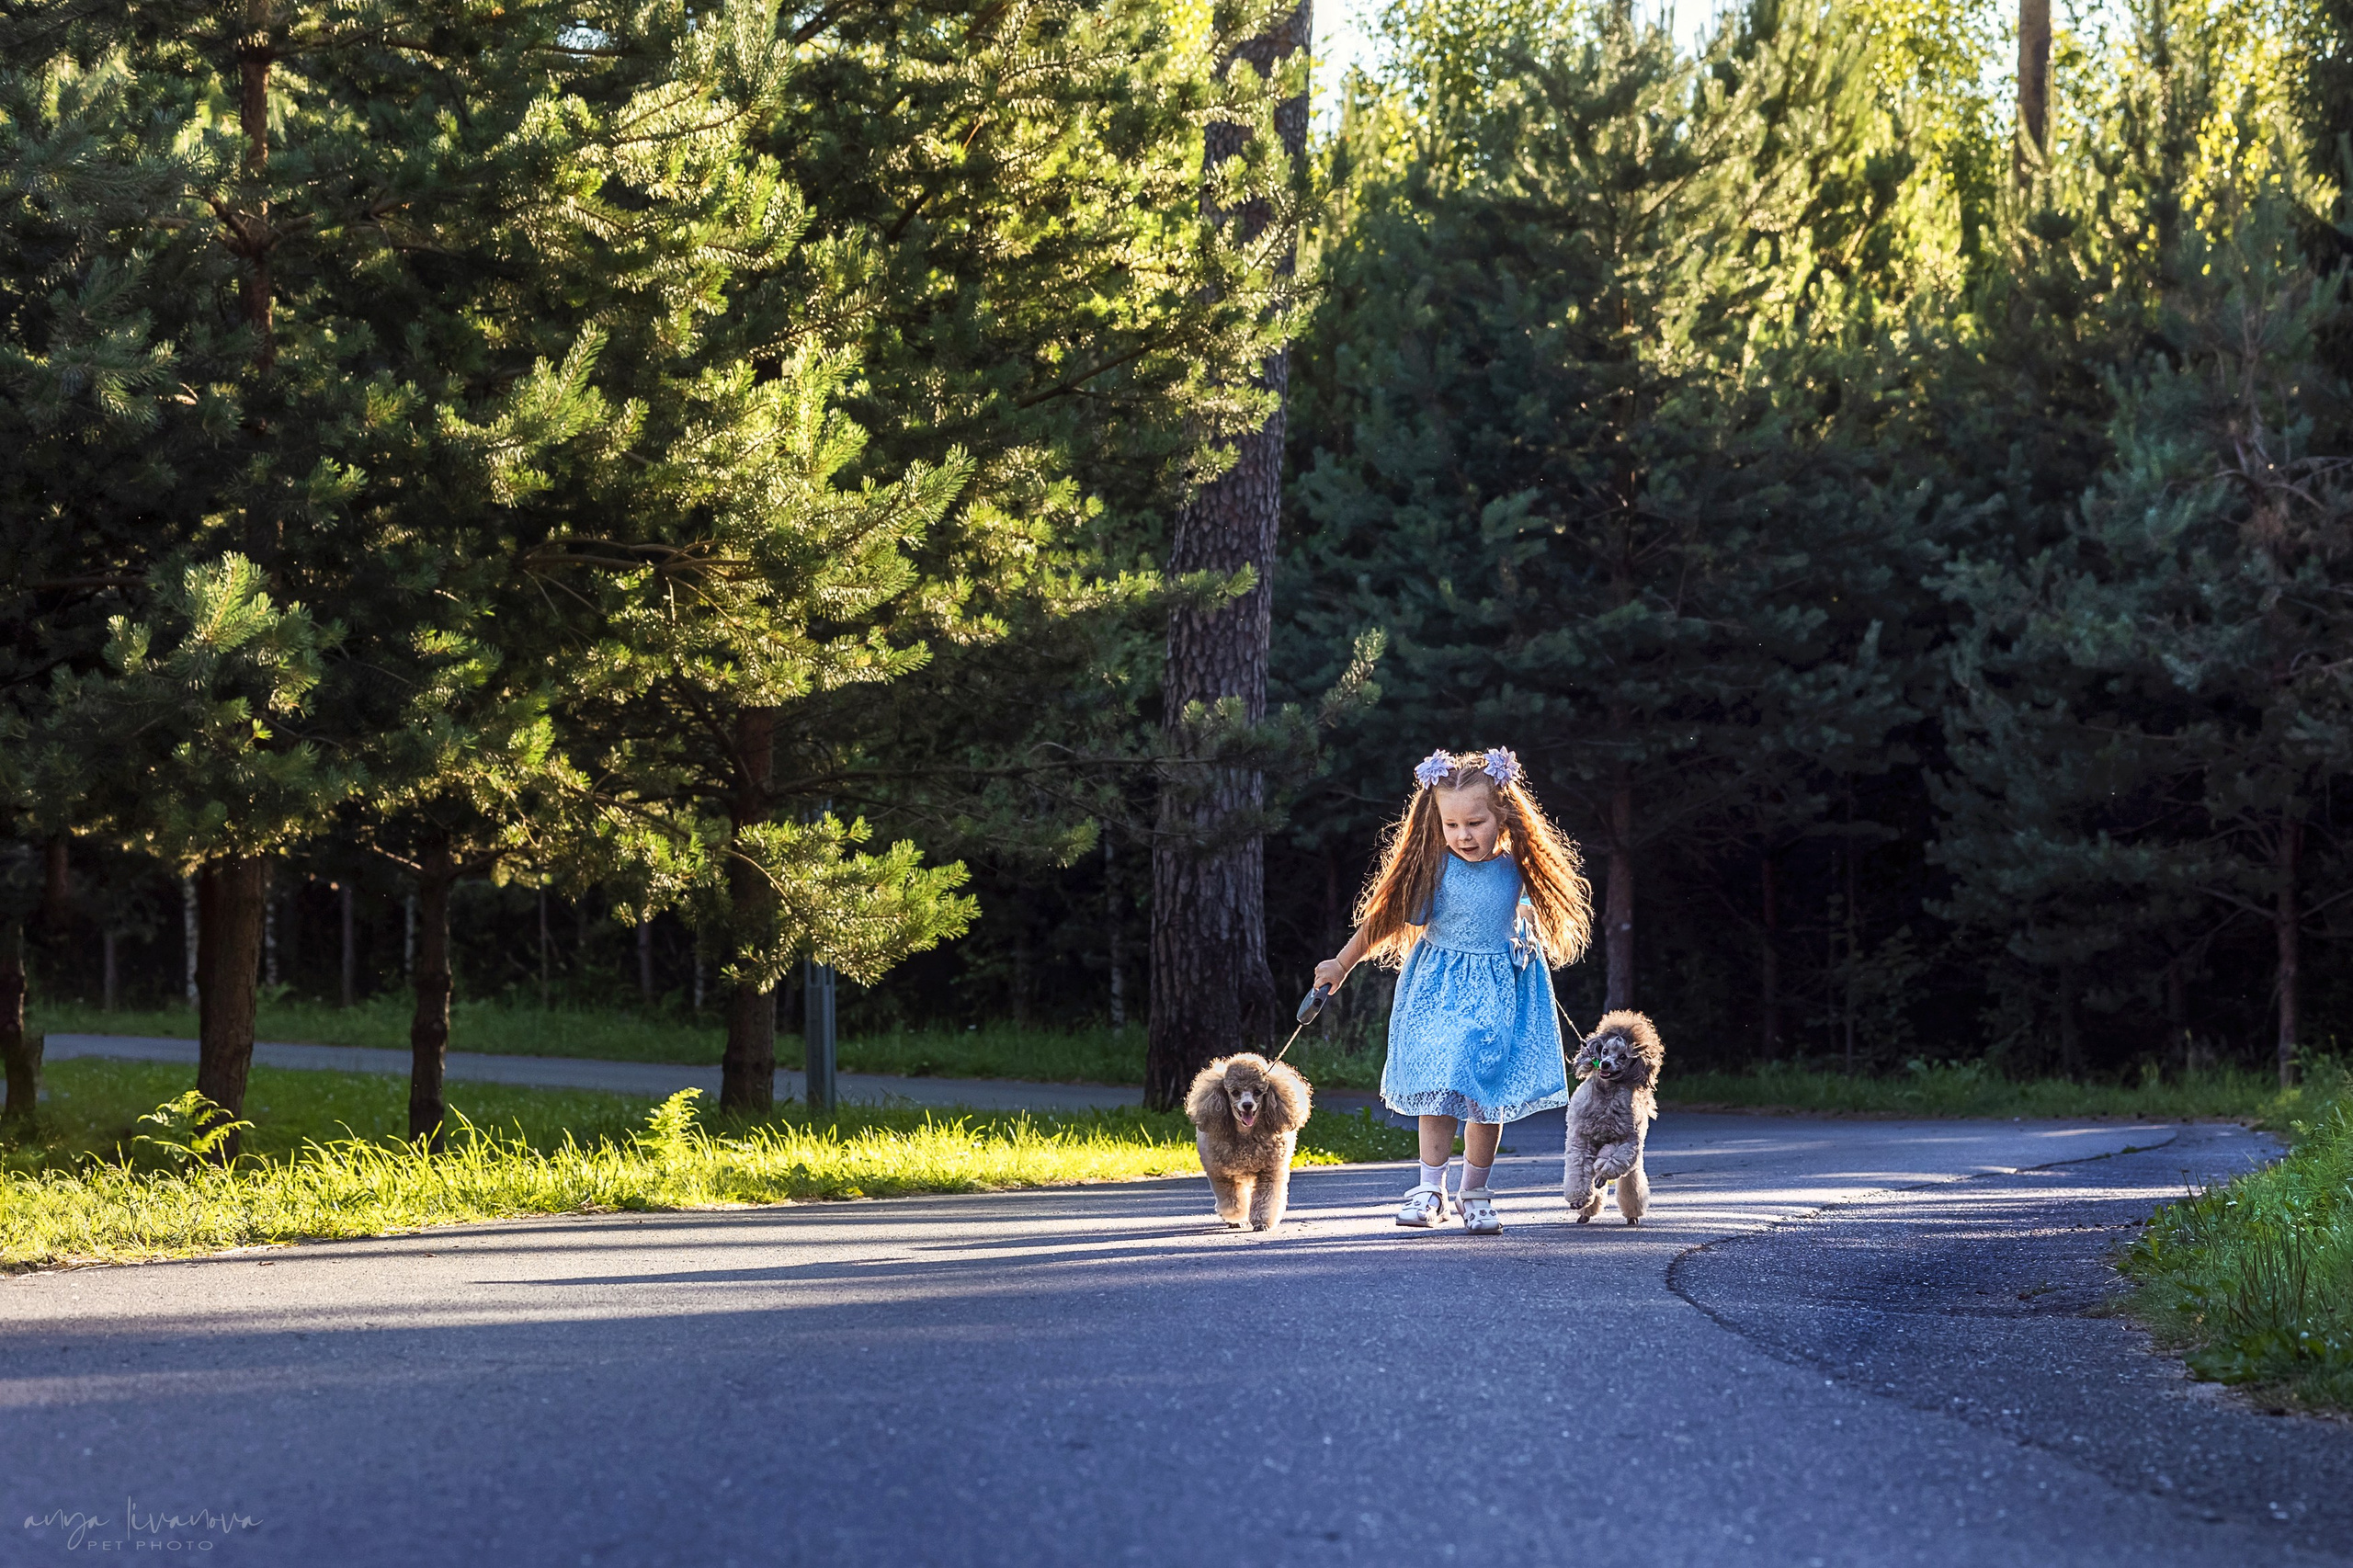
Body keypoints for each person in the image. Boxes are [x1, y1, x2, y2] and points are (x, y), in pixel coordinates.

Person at [1313, 747, 1594, 1234]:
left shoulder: (1516, 867)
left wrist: (1525, 925)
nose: (1463, 835)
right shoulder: (1434, 868)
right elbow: (1385, 918)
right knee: (1440, 1083)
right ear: (1436, 822)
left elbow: (1526, 908)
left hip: (1497, 991)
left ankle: (1475, 1192)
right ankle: (1430, 1189)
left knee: (1485, 1090)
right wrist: (1341, 962)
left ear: (1503, 816)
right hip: (1438, 989)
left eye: (1475, 823)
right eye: (1452, 825)